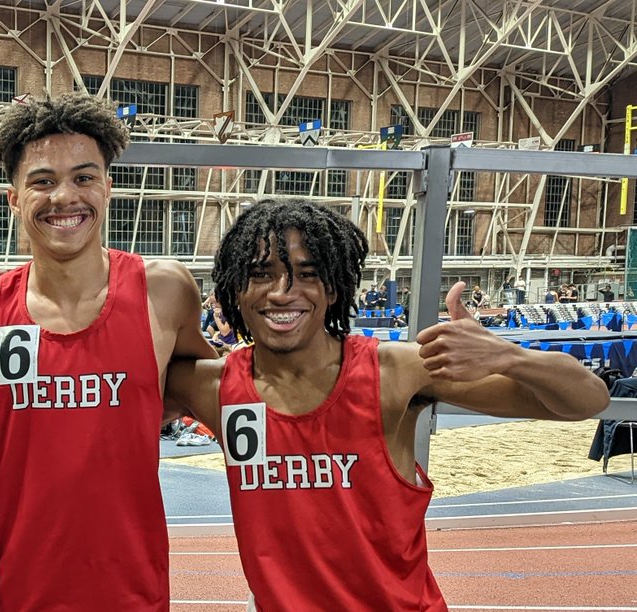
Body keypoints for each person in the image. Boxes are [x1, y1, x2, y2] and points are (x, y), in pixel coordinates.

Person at [165, 198, 609, 609]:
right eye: (262, 274)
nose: (283, 291)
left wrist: (511, 356)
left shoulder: (396, 371)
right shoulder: (209, 385)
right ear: (234, 291)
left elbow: (587, 400)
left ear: (335, 289)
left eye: (308, 273)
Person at [0, 92, 216, 610]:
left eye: (83, 177)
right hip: (13, 591)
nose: (64, 197)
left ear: (108, 187)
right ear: (13, 198)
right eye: (43, 181)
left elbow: (209, 388)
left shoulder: (164, 292)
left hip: (130, 591)